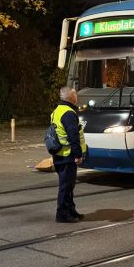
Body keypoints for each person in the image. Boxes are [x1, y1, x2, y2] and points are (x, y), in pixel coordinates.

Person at [51, 86, 88, 223]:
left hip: (59, 154)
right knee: (66, 186)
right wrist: (78, 155)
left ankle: (71, 210)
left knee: (68, 185)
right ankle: (62, 214)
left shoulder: (58, 110)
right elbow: (73, 136)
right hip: (67, 155)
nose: (77, 97)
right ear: (72, 98)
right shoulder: (69, 113)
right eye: (75, 95)